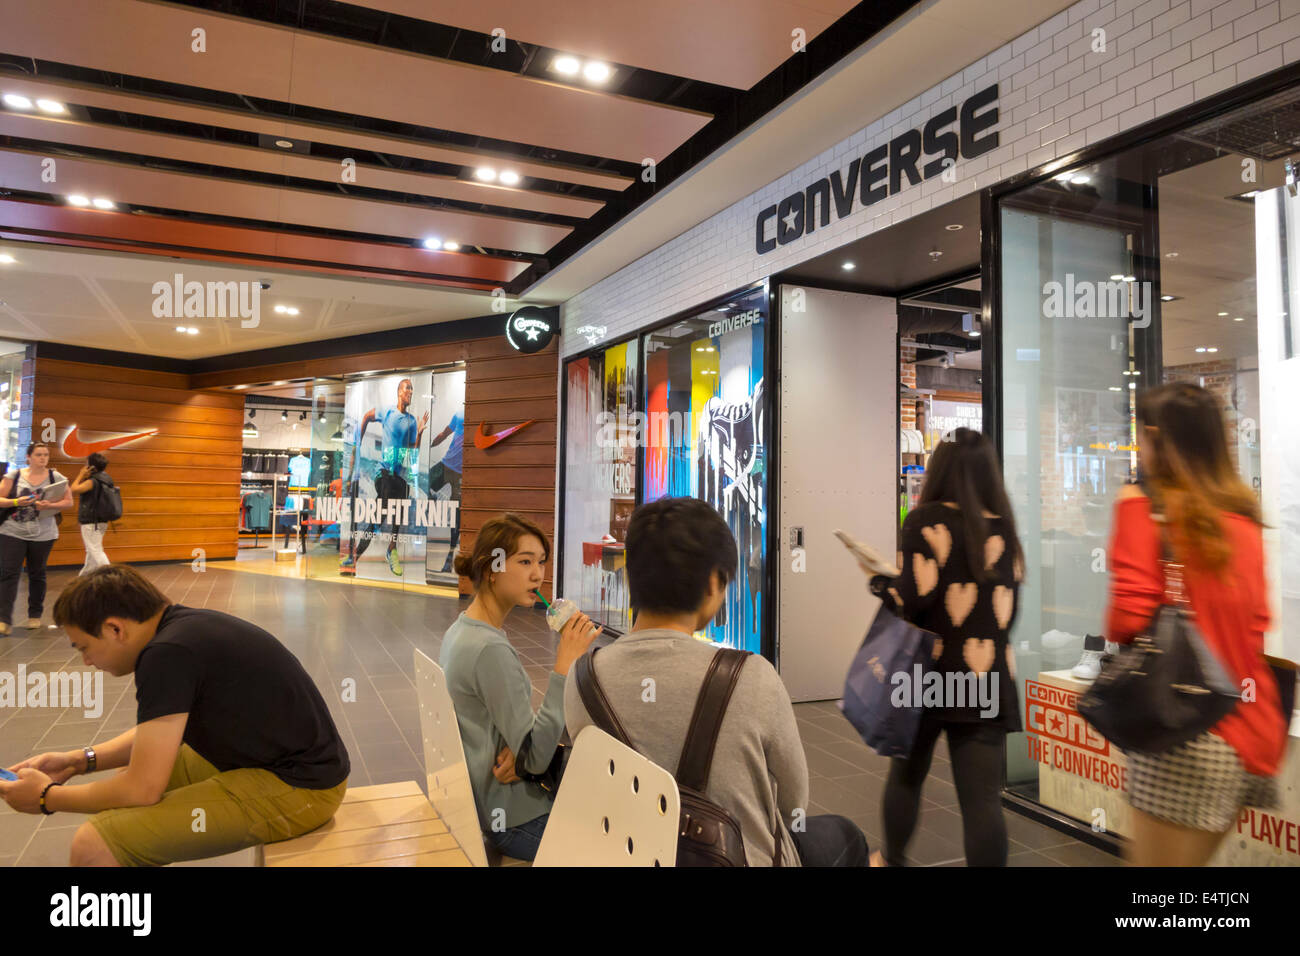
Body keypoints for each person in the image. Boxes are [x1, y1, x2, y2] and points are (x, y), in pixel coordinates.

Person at [565, 496, 869, 867]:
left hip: (627, 856)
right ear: (713, 582)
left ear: (630, 577)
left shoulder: (582, 680)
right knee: (845, 835)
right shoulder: (751, 676)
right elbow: (794, 805)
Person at [0, 565, 350, 866]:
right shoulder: (181, 630)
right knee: (125, 788)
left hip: (303, 787)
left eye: (84, 648)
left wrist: (47, 798)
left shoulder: (165, 655)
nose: (87, 662)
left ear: (115, 629)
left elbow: (142, 788)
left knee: (93, 845)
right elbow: (159, 735)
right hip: (276, 761)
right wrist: (79, 761)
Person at [1106, 383, 1285, 866]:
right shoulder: (1245, 522)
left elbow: (1126, 620)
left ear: (1157, 438)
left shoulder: (1148, 512)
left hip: (1183, 733)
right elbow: (1259, 621)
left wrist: (1130, 511)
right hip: (1250, 730)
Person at [866, 427, 1023, 867]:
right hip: (984, 674)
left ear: (940, 470)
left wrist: (879, 580)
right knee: (982, 802)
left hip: (926, 675)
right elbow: (1007, 611)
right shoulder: (1004, 528)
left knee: (907, 777)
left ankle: (890, 859)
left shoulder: (924, 521)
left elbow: (909, 599)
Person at [440, 513, 600, 861]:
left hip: (486, 804)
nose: (537, 574)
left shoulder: (463, 630)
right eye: (525, 561)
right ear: (492, 567)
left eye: (541, 562)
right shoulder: (490, 649)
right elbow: (537, 758)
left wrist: (521, 746)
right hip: (515, 819)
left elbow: (522, 746)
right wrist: (564, 666)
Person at [340, 377, 429, 577]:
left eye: (412, 389)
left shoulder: (412, 421)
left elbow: (412, 452)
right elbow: (365, 417)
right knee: (385, 502)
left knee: (383, 518)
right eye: (407, 388)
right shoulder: (387, 411)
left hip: (399, 477)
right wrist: (358, 442)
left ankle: (382, 551)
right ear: (399, 392)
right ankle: (374, 552)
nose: (410, 392)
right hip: (384, 474)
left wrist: (420, 433)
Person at [0, 442, 73, 634]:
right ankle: (4, 619)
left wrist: (48, 506)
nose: (43, 458)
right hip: (13, 531)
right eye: (39, 454)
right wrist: (16, 501)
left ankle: (35, 615)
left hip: (43, 533)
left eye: (46, 455)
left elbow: (69, 502)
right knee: (9, 573)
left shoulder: (55, 477)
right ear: (28, 457)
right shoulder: (14, 476)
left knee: (37, 573)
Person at [427, 406, 464, 574]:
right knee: (423, 480)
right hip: (446, 464)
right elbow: (444, 434)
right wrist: (430, 445)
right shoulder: (458, 414)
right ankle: (432, 501)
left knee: (456, 520)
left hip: (462, 474)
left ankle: (448, 563)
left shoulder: (482, 415)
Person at [71, 452, 114, 575]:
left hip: (91, 522)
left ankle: (111, 576)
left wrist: (80, 475)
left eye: (86, 464)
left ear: (91, 467)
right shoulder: (107, 479)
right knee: (92, 551)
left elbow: (73, 489)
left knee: (95, 550)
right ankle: (83, 578)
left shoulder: (93, 482)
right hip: (101, 520)